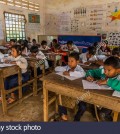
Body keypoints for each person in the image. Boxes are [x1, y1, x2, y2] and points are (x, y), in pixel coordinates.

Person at [85, 56, 120, 121]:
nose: (105, 72)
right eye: (104, 69)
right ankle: (97, 118)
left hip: (112, 101)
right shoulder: (102, 72)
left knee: (102, 114)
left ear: (118, 70)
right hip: (100, 97)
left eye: (109, 70)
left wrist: (108, 81)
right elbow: (90, 71)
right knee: (91, 105)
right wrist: (89, 76)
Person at [55, 52, 86, 121]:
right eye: (68, 61)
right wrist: (65, 70)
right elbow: (56, 69)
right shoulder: (67, 67)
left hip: (77, 92)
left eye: (72, 61)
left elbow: (83, 74)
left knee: (83, 107)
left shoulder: (80, 69)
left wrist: (70, 73)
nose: (69, 63)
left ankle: (77, 118)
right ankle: (63, 115)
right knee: (60, 97)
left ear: (77, 62)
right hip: (67, 90)